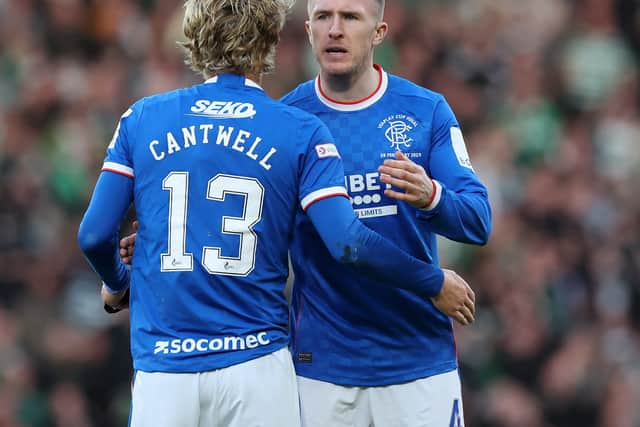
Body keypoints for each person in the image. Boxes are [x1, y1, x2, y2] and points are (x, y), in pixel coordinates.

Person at [78, 0, 476, 426]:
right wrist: (432, 280)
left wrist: (118, 285)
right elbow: (347, 240)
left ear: (194, 37)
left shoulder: (143, 118)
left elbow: (94, 235)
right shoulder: (296, 127)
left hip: (165, 366)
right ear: (271, 38)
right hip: (257, 364)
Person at [279, 0, 491, 426]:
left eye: (351, 17)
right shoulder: (288, 120)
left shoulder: (425, 110)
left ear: (379, 32)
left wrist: (431, 195)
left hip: (417, 360)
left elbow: (477, 218)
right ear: (308, 30)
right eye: (323, 17)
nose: (334, 30)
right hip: (323, 365)